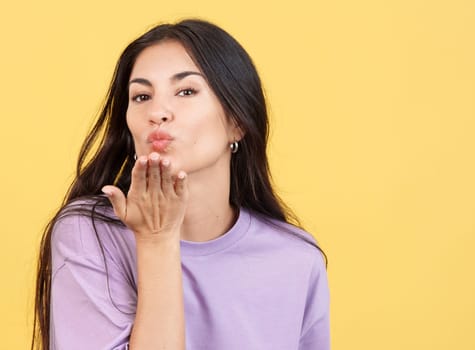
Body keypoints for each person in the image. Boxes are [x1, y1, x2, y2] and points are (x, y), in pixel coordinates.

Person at [32, 18, 330, 350]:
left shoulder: (297, 260)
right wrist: (157, 241)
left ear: (237, 123)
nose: (158, 111)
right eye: (142, 96)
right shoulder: (90, 234)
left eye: (186, 91)